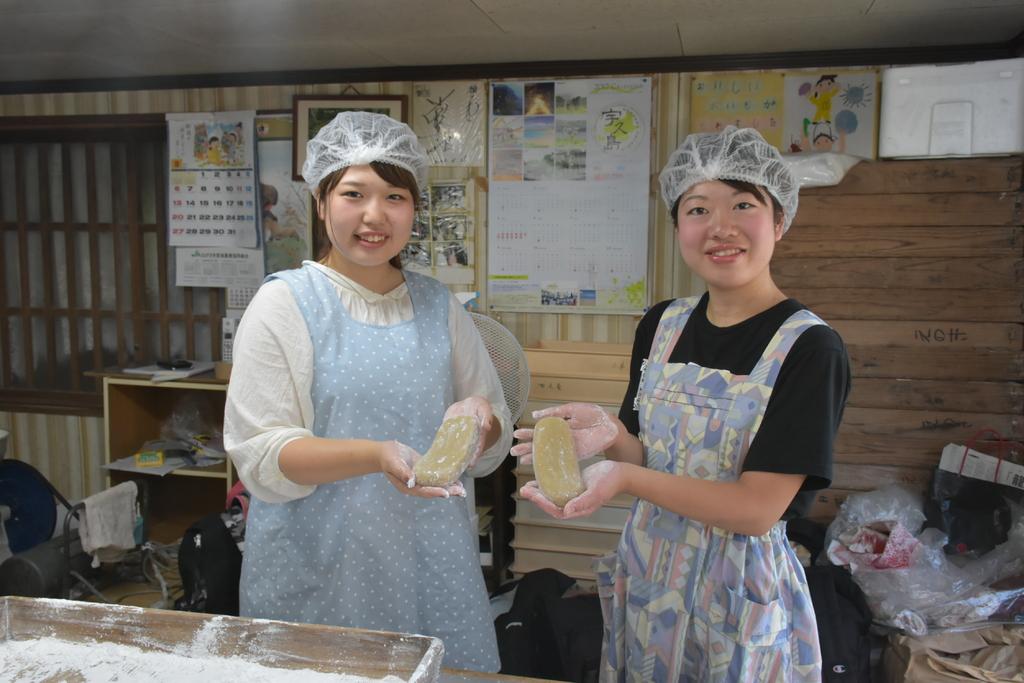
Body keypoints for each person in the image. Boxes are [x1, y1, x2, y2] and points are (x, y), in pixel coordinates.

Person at [514, 126, 850, 681]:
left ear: (780, 221)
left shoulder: (810, 348)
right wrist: (610, 438)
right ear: (677, 227)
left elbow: (755, 509)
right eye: (698, 209)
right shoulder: (662, 325)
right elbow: (650, 455)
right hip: (648, 574)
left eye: (743, 204)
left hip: (739, 588)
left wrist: (620, 476)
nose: (721, 227)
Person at [224, 111, 511, 672]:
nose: (375, 215)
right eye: (354, 193)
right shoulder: (285, 304)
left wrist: (483, 418)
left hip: (430, 557)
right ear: (320, 201)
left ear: (414, 210)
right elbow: (262, 452)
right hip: (322, 558)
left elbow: (493, 421)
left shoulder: (439, 305)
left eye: (396, 196)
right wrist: (376, 455)